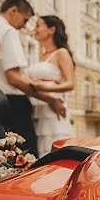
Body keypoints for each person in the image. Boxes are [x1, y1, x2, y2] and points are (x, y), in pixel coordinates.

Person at [0, 0, 65, 157]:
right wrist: (50, 99)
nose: (23, 26)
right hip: (11, 105)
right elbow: (14, 78)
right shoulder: (7, 31)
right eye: (25, 20)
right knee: (26, 160)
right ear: (13, 11)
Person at [27, 15, 75, 156]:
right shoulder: (41, 56)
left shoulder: (62, 53)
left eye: (38, 25)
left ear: (51, 29)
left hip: (54, 114)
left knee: (53, 153)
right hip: (37, 111)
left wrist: (45, 87)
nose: (35, 29)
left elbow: (70, 83)